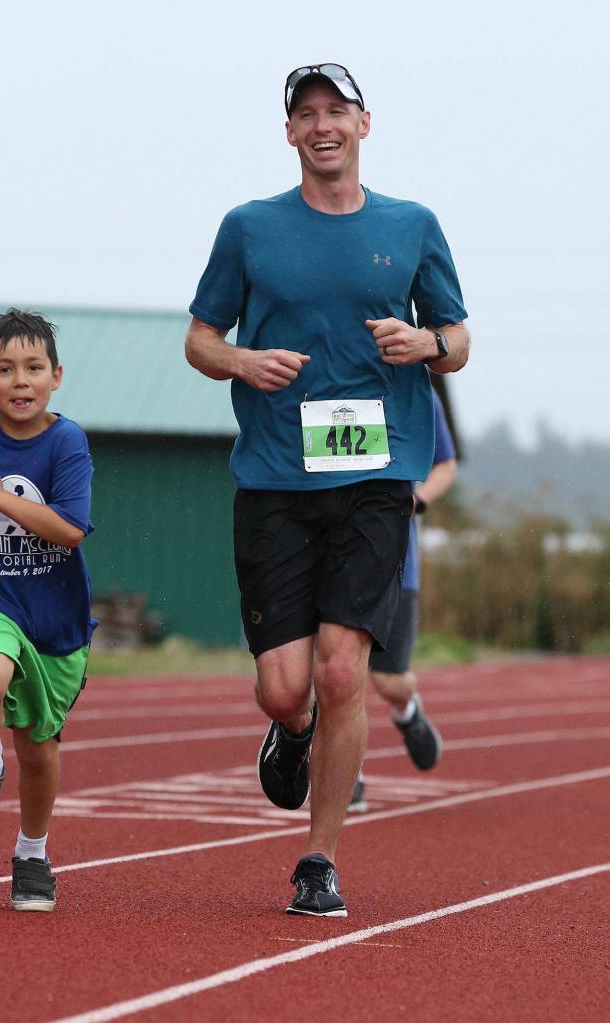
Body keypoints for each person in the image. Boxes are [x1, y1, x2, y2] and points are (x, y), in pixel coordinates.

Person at [186, 63, 469, 917]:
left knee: (345, 670)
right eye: (305, 113)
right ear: (289, 134)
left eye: (335, 110)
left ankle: (320, 858)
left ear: (364, 123)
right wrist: (241, 359)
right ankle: (291, 727)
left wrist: (424, 344)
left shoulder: (412, 225)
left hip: (377, 475)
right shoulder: (250, 228)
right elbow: (201, 337)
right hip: (275, 475)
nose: (322, 125)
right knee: (287, 684)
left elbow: (456, 338)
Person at [0, 309, 94, 912]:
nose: (20, 380)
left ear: (56, 376)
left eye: (33, 367)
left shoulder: (67, 441)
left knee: (39, 749)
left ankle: (32, 852)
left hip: (55, 619)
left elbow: (69, 530)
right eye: (4, 369)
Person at [349, 388, 457, 812]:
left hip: (396, 560)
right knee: (337, 674)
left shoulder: (416, 391)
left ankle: (406, 709)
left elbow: (445, 465)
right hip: (331, 553)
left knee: (388, 680)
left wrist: (419, 499)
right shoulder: (322, 380)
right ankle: (347, 775)